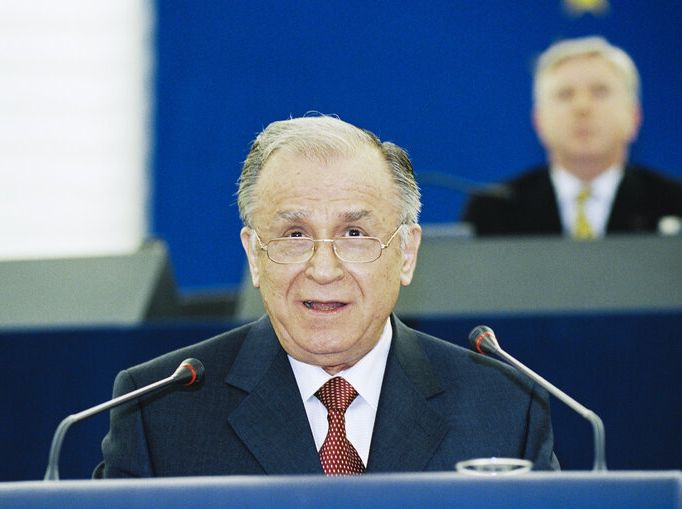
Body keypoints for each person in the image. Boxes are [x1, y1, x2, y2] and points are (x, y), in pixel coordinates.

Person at [94, 115, 558, 478]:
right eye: (294, 234)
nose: (322, 268)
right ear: (254, 255)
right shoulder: (159, 411)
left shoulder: (504, 406)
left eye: (354, 233)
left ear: (407, 253)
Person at [463, 36, 682, 238]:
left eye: (600, 92)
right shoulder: (494, 210)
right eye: (565, 94)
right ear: (538, 121)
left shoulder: (674, 203)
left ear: (634, 117)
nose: (582, 107)